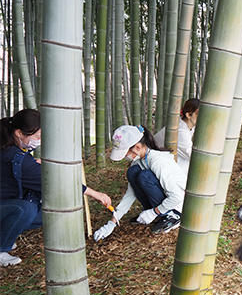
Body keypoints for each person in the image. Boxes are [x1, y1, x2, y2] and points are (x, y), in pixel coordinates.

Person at [1, 109, 111, 266]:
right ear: (19, 133)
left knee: (48, 212)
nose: (39, 141)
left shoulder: (10, 146)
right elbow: (54, 183)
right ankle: (1, 248)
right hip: (6, 205)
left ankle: (6, 234)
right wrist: (94, 193)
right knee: (25, 210)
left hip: (5, 202)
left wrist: (32, 164)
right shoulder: (13, 156)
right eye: (38, 137)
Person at [93, 125, 187, 241]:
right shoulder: (139, 161)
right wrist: (112, 221)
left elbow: (176, 196)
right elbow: (131, 192)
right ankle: (157, 213)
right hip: (164, 200)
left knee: (144, 176)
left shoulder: (158, 161)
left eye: (125, 153)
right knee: (133, 172)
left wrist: (153, 212)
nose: (125, 157)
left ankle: (172, 215)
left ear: (137, 147)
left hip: (178, 203)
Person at [154, 98, 199, 175]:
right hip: (157, 163)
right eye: (199, 114)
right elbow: (191, 155)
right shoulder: (179, 130)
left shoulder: (188, 125)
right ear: (188, 115)